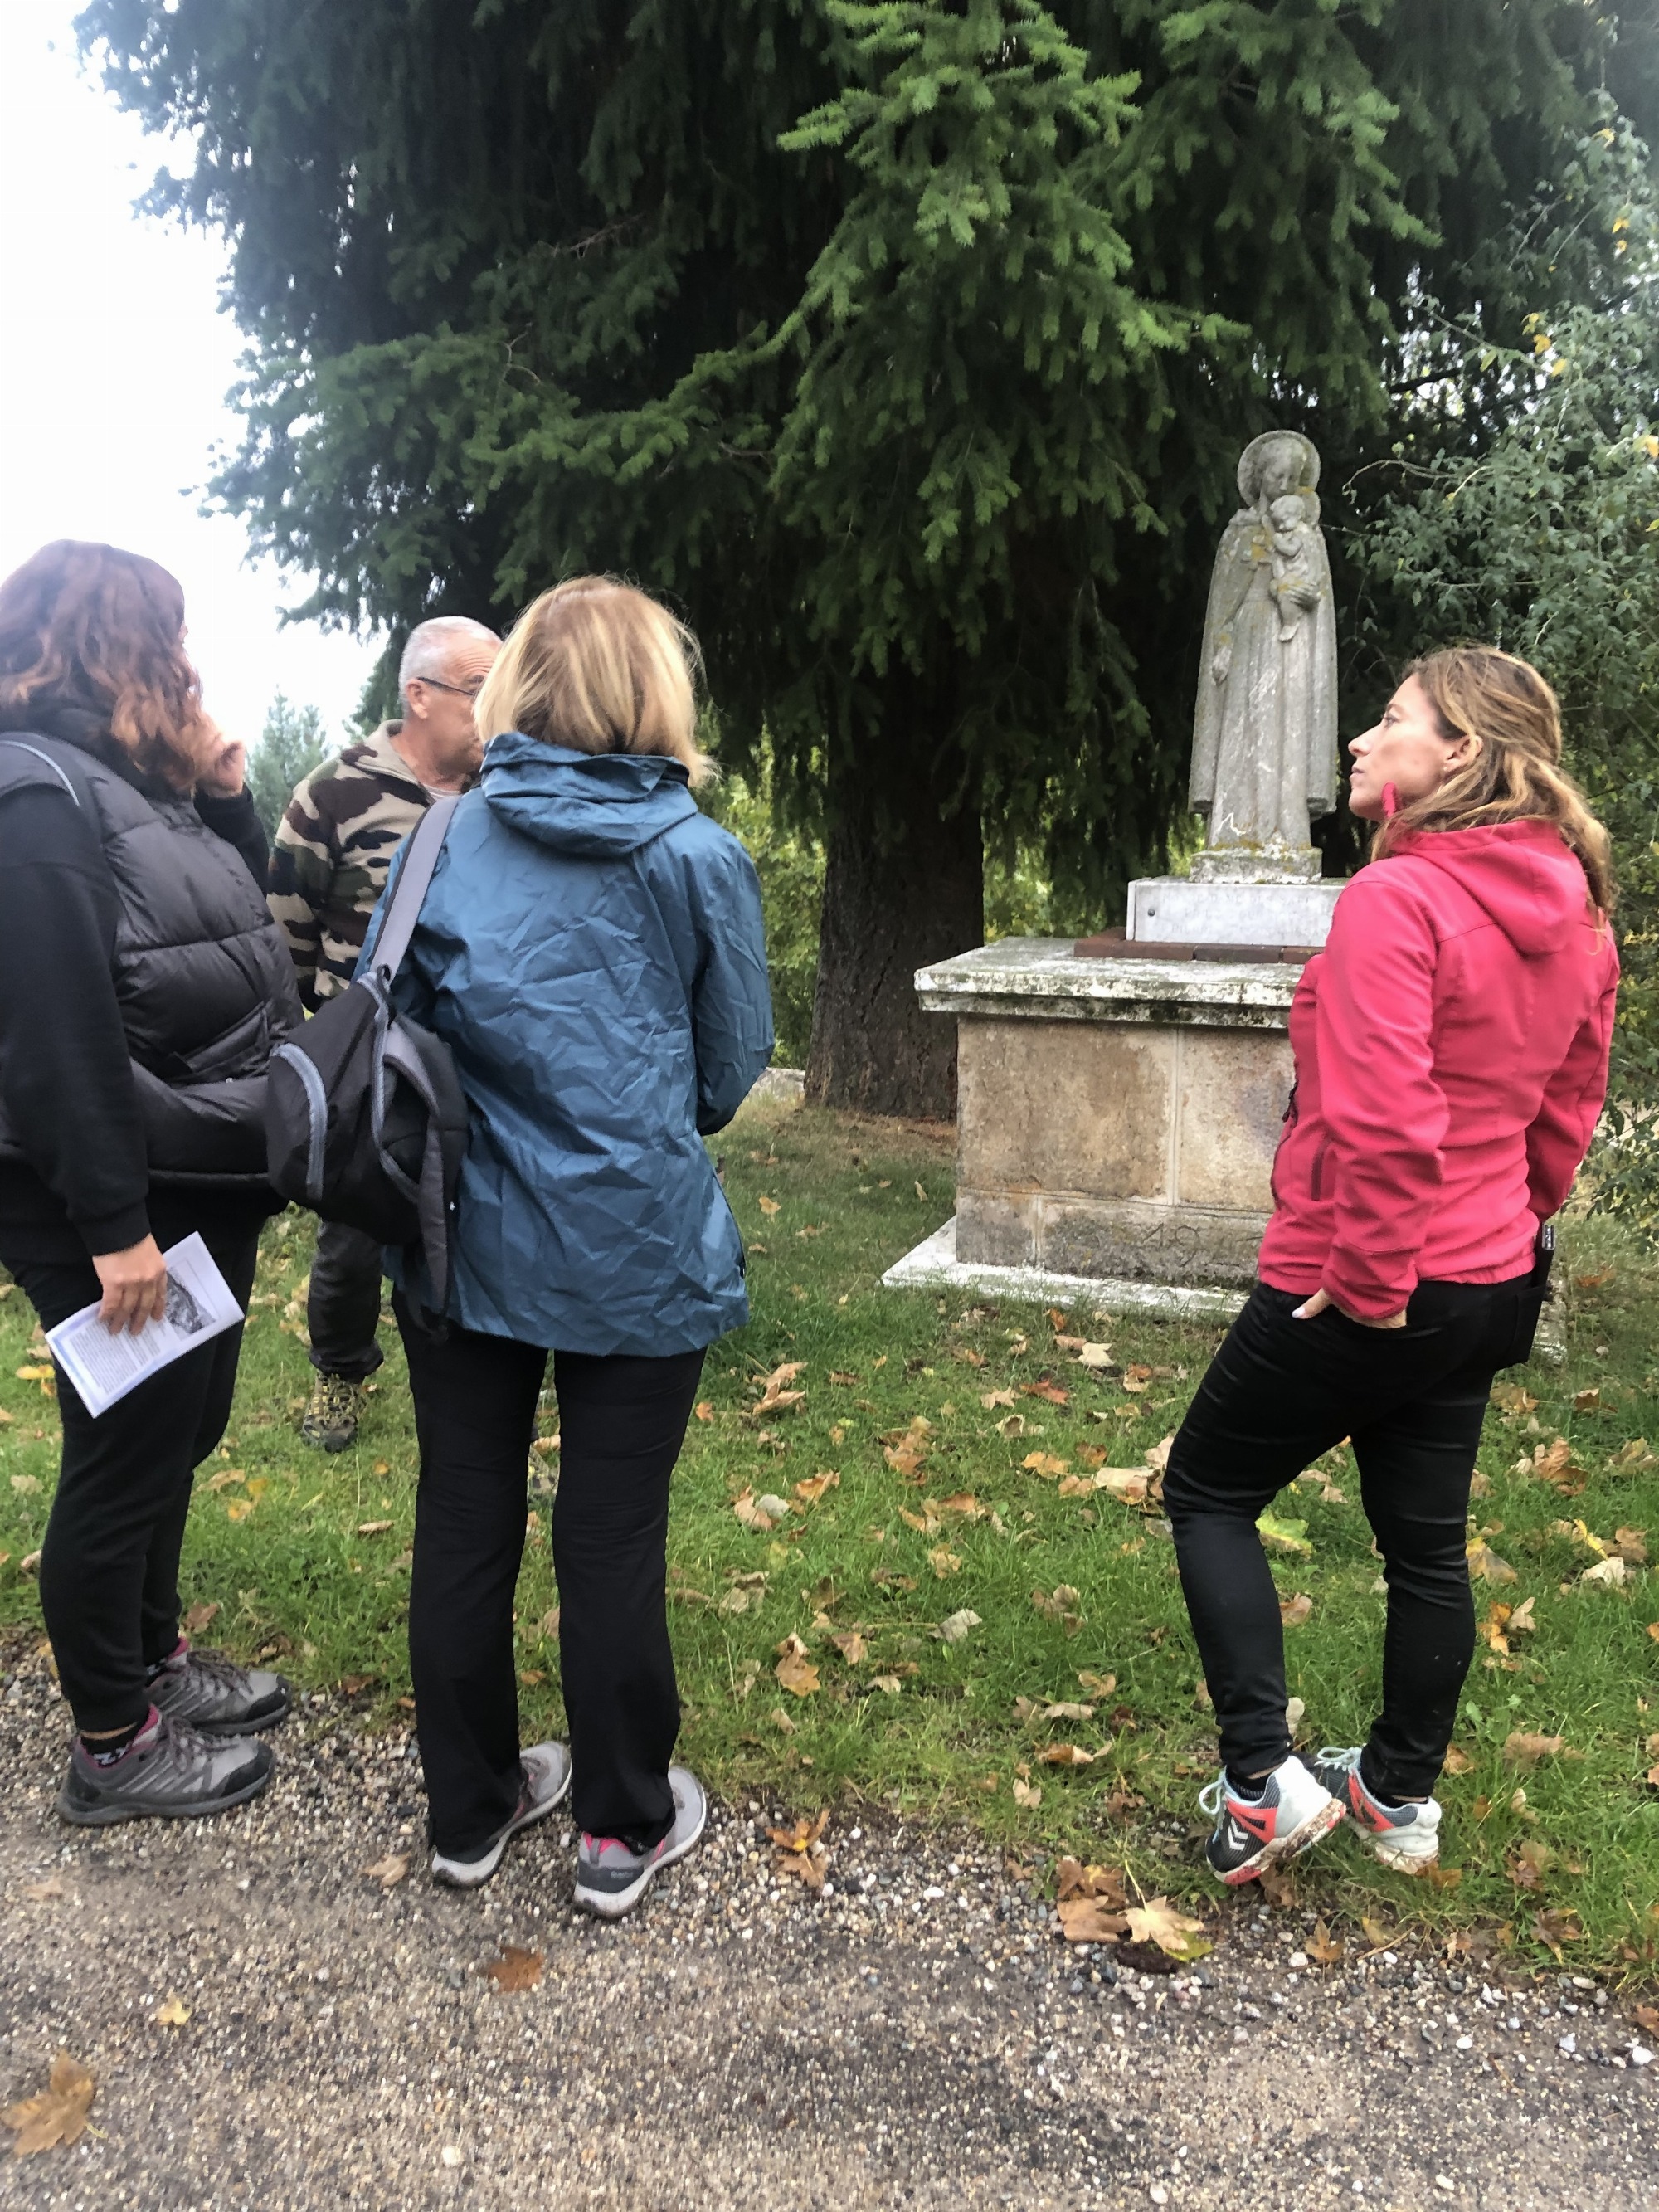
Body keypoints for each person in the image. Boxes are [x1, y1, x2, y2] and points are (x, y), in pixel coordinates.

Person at [1165, 646, 1618, 1885]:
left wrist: (1367, 1283)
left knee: (1206, 1489)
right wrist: (1514, 1224)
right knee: (1425, 1545)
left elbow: (1383, 1119)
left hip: (1369, 1277)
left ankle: (1262, 1785)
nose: (1362, 740)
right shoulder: (1578, 911)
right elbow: (1567, 1104)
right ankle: (1397, 1797)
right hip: (1487, 1278)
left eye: (1391, 718)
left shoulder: (1395, 899)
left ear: (1459, 751)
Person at [364, 576, 772, 1909]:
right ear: (657, 690)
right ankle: (617, 1826)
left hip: (458, 1237)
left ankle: (468, 1811)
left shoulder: (442, 837)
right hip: (634, 1244)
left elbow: (387, 1027)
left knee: (462, 1516)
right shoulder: (699, 856)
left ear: (516, 684)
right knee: (609, 1536)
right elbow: (727, 1073)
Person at [0, 541, 304, 1825]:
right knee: (126, 1450)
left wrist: (229, 800)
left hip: (187, 1165)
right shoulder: (34, 793)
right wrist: (114, 1225)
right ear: (112, 642)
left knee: (185, 1427)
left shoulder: (138, 782)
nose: (184, 661)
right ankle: (112, 1744)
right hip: (102, 1193)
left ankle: (151, 1654)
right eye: (165, 635)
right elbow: (51, 1032)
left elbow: (234, 930)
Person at [267, 614, 500, 1451]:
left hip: (479, 1057)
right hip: (377, 1064)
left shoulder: (504, 793)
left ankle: (491, 1388)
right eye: (479, 691)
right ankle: (338, 1372)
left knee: (486, 1223)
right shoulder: (334, 792)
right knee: (353, 1235)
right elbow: (284, 934)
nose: (496, 709)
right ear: (419, 695)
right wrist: (336, 1024)